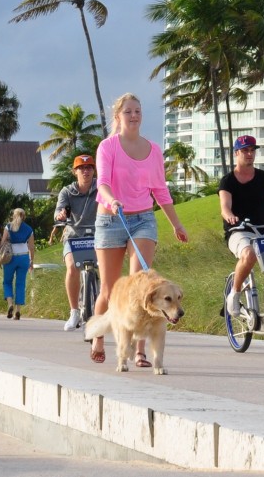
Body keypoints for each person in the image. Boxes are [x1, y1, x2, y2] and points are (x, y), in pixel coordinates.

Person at [91, 92, 189, 365]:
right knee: (110, 291)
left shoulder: (154, 150)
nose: (134, 116)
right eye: (128, 112)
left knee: (141, 286)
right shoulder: (107, 147)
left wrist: (176, 224)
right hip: (111, 219)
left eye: (138, 111)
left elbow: (161, 191)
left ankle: (140, 350)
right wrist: (111, 201)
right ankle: (99, 337)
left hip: (143, 219)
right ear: (118, 117)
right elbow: (102, 183)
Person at [219, 135, 264, 318]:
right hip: (238, 231)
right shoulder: (228, 181)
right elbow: (225, 208)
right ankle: (234, 294)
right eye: (245, 150)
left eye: (252, 150)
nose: (249, 154)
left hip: (262, 230)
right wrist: (230, 217)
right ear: (236, 153)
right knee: (248, 254)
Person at [55, 154, 98, 330]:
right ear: (75, 172)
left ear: (94, 170)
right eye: (81, 168)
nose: (85, 171)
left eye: (89, 168)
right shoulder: (67, 191)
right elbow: (60, 208)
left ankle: (104, 305)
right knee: (72, 266)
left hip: (98, 235)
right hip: (74, 236)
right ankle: (74, 311)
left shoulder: (101, 188)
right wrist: (60, 214)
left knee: (108, 267)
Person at [0, 208, 35, 320]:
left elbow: (3, 241)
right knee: (20, 283)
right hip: (24, 257)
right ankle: (18, 311)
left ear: (13, 216)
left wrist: (0, 256)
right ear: (24, 216)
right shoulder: (29, 229)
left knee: (7, 282)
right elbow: (31, 247)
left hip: (10, 257)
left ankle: (10, 303)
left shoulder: (8, 227)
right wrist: (31, 261)